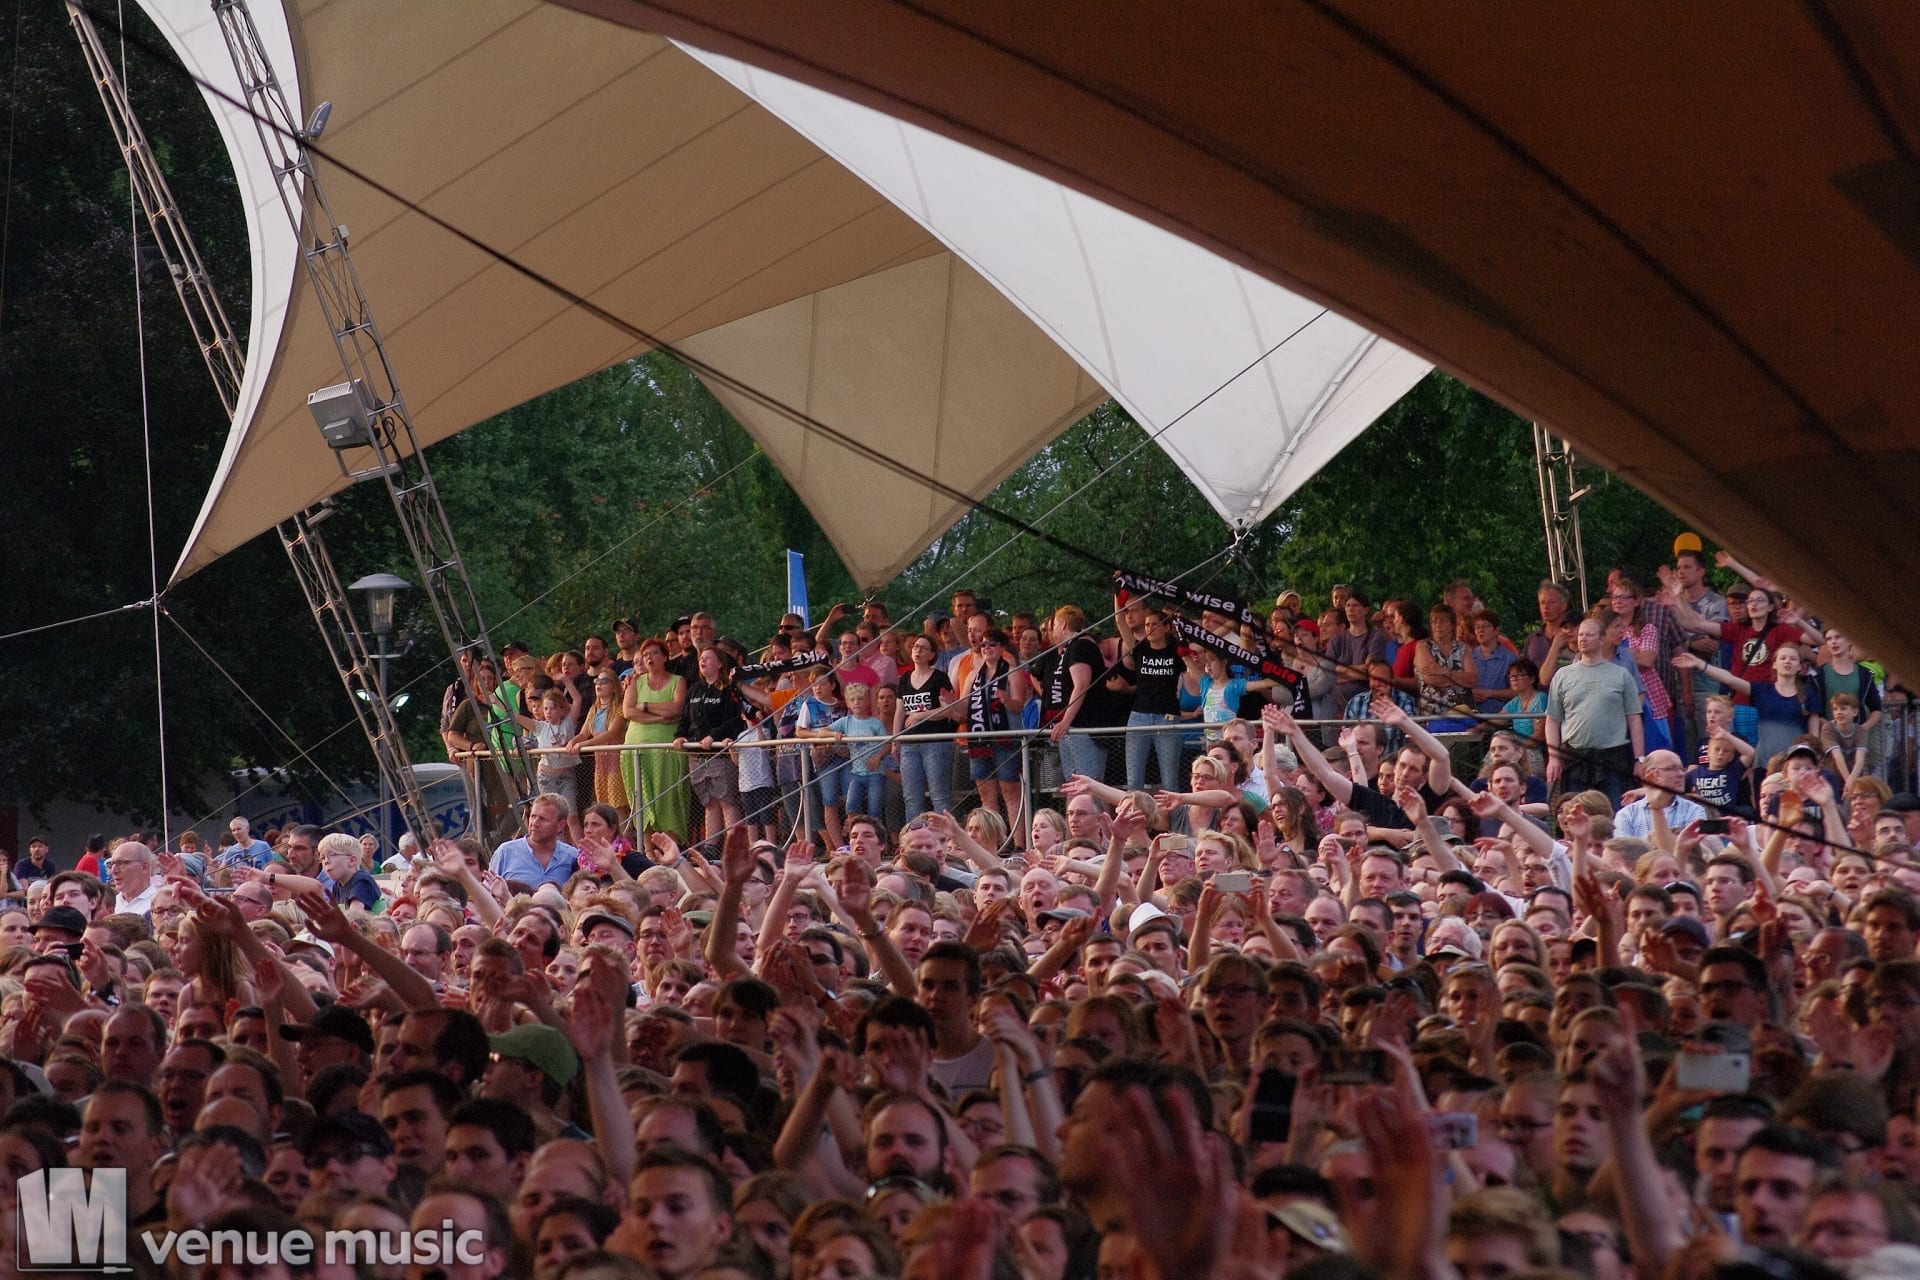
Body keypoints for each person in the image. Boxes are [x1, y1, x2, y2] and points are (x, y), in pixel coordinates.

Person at [1543, 616, 1644, 807]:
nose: (1583, 639)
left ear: (1602, 639)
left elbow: (1634, 719)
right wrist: (1553, 757)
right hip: (1575, 758)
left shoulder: (1621, 675)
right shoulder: (1562, 676)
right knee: (1574, 813)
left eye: (1589, 635)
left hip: (1613, 759)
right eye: (1581, 634)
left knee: (1614, 813)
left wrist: (1639, 759)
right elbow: (1552, 719)